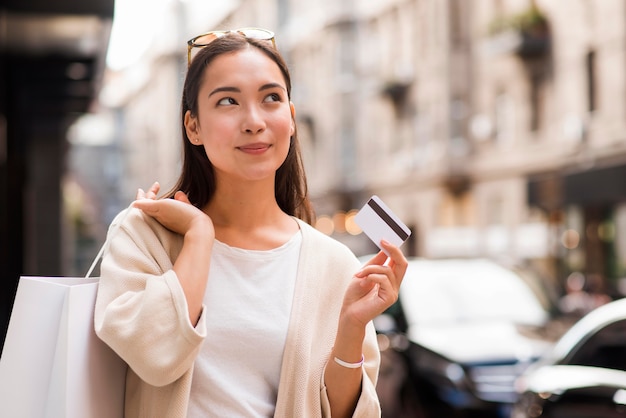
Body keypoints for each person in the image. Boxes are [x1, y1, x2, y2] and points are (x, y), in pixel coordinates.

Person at [94, 27, 408, 418]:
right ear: (193, 126)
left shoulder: (334, 263)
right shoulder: (144, 238)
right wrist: (198, 237)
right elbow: (154, 357)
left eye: (271, 98)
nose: (254, 120)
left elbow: (346, 413)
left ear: (291, 119)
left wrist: (350, 328)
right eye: (228, 101)